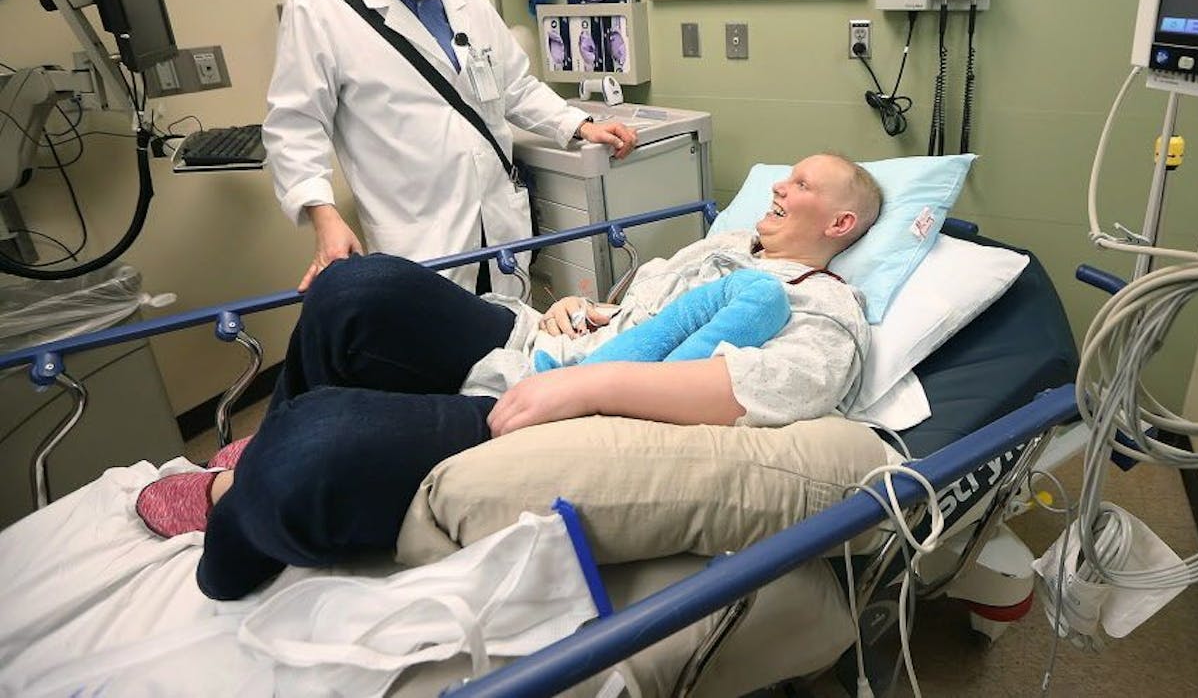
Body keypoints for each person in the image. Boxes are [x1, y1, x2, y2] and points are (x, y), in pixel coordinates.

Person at [136, 154, 883, 601]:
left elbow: (734, 390)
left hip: (581, 409)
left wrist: (586, 386)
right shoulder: (722, 247)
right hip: (551, 348)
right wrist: (579, 308)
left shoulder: (823, 308)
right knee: (354, 291)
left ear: (841, 224)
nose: (778, 186)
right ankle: (279, 441)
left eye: (803, 183)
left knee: (308, 454)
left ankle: (236, 505)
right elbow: (642, 313)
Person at [263, 0, 637, 294]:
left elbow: (514, 84)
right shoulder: (320, 7)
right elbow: (294, 126)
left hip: (498, 232)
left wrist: (580, 124)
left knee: (510, 343)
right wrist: (324, 217)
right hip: (422, 245)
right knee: (445, 361)